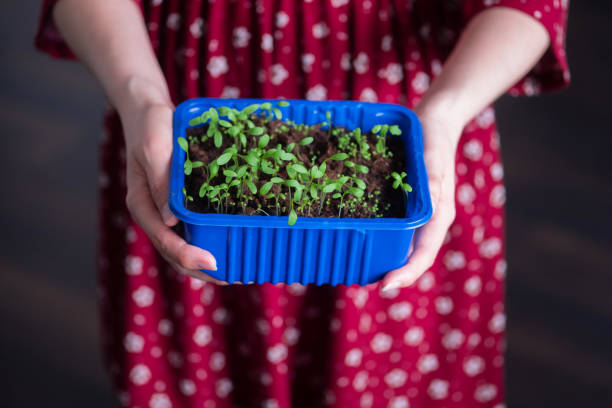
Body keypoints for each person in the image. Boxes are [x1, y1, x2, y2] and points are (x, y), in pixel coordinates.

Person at [36, 0, 569, 407]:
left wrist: (445, 113)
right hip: (176, 116)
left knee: (383, 376)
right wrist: (141, 96)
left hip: (415, 113)